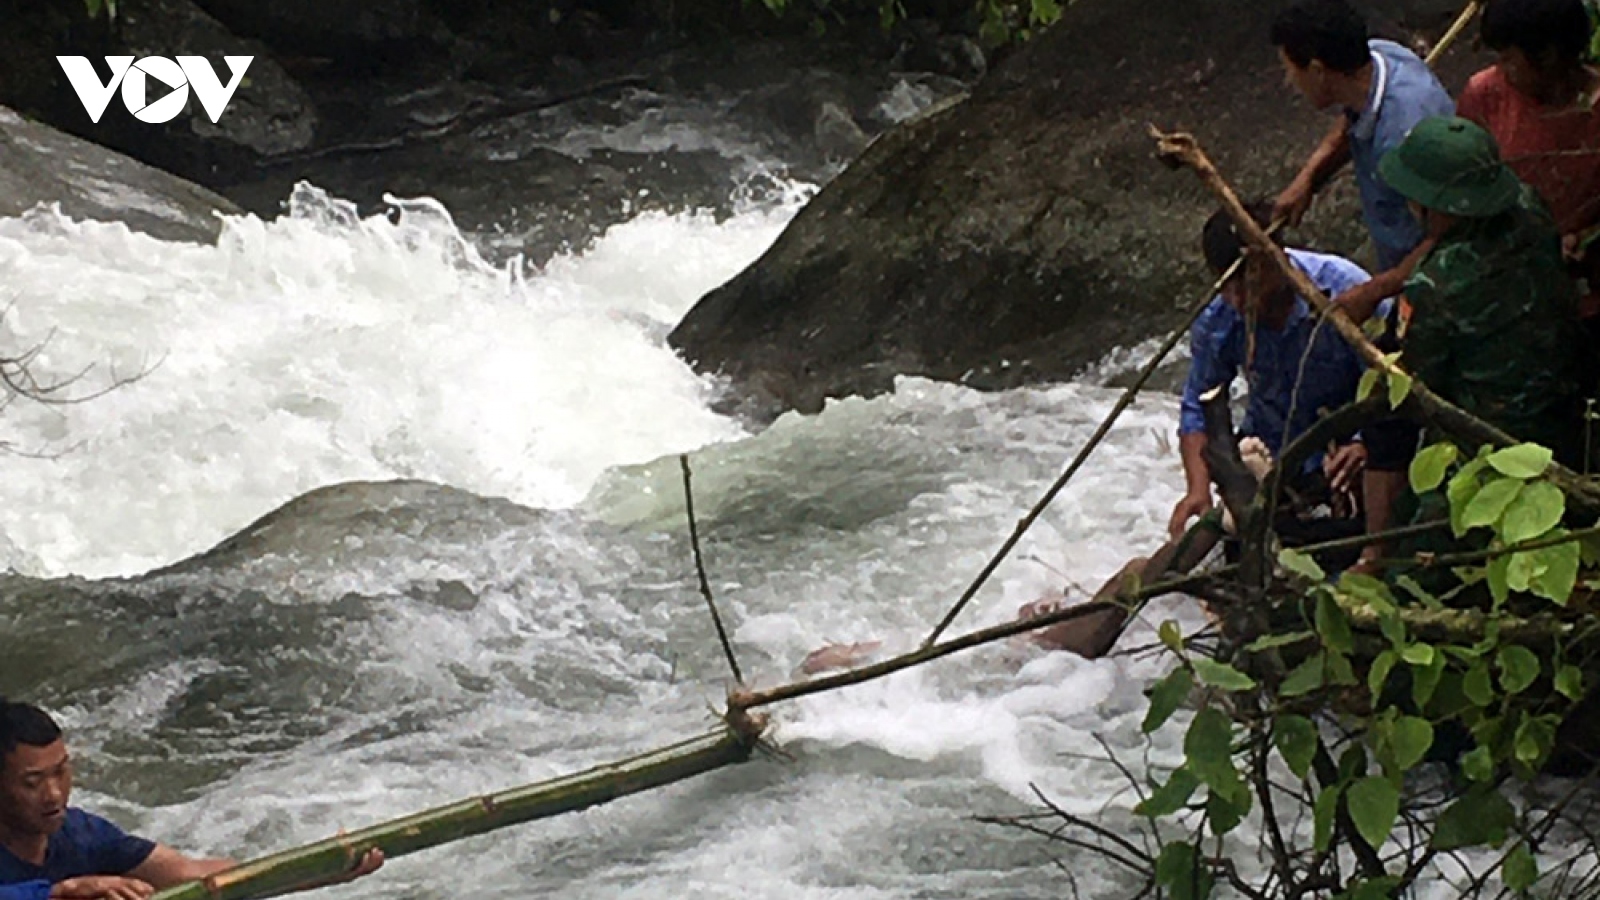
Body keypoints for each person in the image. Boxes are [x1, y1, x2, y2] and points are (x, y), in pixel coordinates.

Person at [1269, 0, 1457, 565]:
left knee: (1391, 409)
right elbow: (1349, 123)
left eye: (1291, 68)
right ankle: (1380, 548)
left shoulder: (1407, 125)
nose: (1288, 80)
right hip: (1405, 267)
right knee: (1387, 410)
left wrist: (1370, 292)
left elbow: (1446, 236)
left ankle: (1381, 559)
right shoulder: (1379, 61)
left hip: (1439, 274)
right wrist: (1308, 180)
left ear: (1319, 69)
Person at [0, 699, 383, 900]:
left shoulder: (81, 833)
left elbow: (197, 876)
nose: (54, 794)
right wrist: (55, 893)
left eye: (61, 772)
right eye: (32, 782)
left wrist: (323, 871)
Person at [1378, 116, 1587, 463]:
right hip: (1569, 404)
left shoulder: (1434, 285)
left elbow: (1420, 379)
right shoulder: (1529, 206)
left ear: (1436, 206)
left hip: (1494, 439)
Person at [1168, 203, 1379, 542]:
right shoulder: (1219, 321)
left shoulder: (1342, 289)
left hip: (1348, 447)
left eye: (1250, 282)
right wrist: (1198, 488)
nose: (1239, 298)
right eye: (1228, 287)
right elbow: (1197, 406)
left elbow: (1390, 374)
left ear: (1277, 258)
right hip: (1271, 450)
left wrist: (1364, 443)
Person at [1458, 0, 1600, 381]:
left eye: (1510, 60)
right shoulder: (1486, 95)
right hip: (1505, 298)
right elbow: (1460, 195)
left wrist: (1583, 240)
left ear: (1550, 56)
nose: (1502, 71)